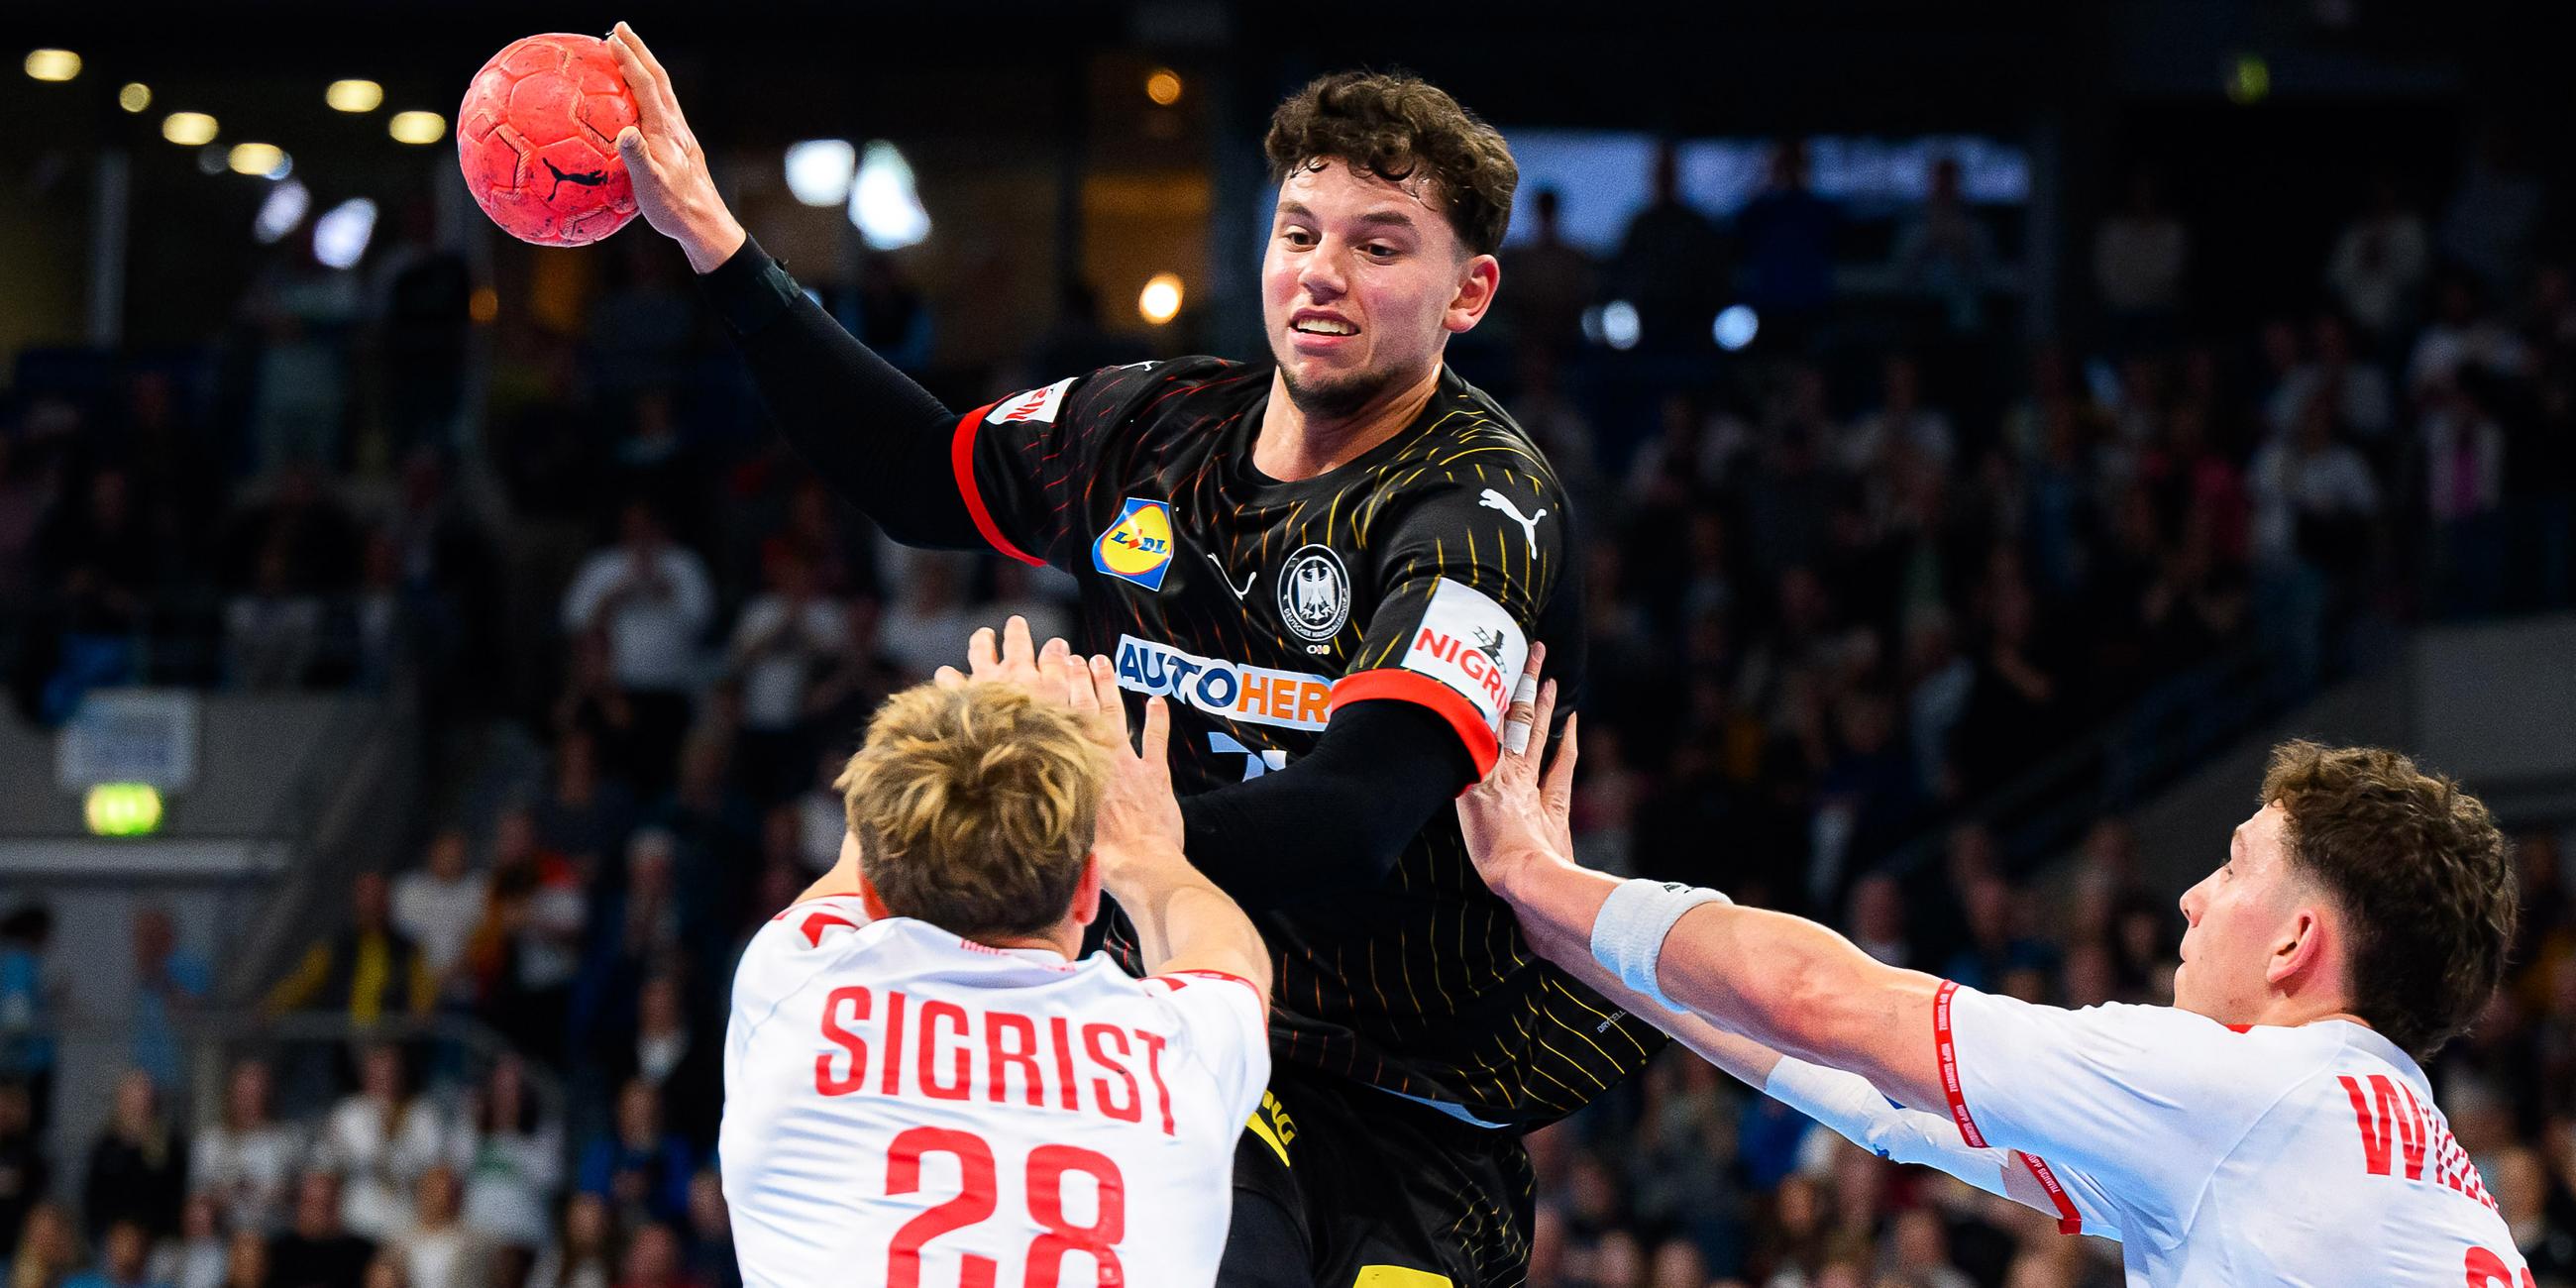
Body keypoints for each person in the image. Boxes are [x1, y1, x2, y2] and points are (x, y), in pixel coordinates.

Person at [612, 26, 1664, 1280]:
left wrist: (1066, 830)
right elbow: (914, 475)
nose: (1322, 274)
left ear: (1468, 292)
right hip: (1176, 1021)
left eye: (1378, 248)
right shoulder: (1148, 426)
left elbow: (1355, 817)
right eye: (1299, 234)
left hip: (1414, 1085)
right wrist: (719, 252)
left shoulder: (1479, 508)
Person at [1458, 651, 2532, 1284]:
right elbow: (1893, 1111)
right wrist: (1583, 946)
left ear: (2298, 942)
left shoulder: (2242, 1091)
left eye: (2232, 863)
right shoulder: (2363, 1135)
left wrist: (1535, 874)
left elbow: (1819, 998)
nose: (2190, 897)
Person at [716, 632, 1271, 1285]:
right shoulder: (1175, 1053)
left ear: (870, 891)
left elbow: (864, 851)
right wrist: (1146, 852)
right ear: (1087, 892)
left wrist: (949, 736)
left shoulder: (793, 988)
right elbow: (1231, 956)